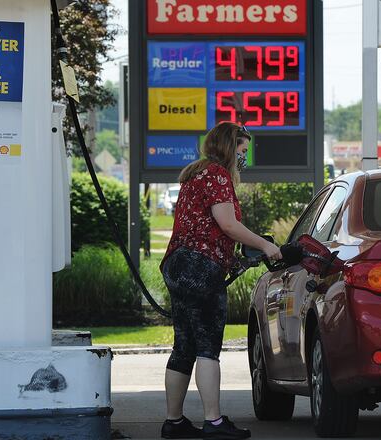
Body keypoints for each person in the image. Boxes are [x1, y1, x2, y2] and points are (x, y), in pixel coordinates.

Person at [159, 122, 282, 440]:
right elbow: (227, 224)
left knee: (183, 346)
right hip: (201, 267)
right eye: (242, 150)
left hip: (178, 264)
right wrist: (265, 245)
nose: (244, 157)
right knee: (207, 346)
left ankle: (174, 421)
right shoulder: (217, 175)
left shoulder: (195, 174)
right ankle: (213, 422)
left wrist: (233, 258)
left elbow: (204, 225)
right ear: (229, 147)